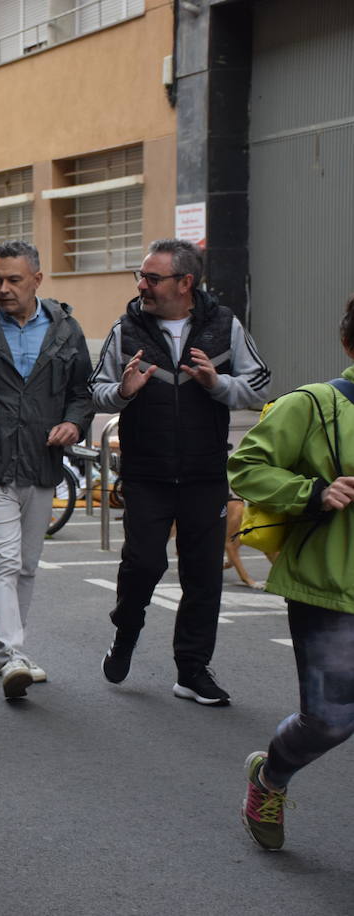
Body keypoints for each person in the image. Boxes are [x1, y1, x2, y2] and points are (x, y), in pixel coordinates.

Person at [90, 238, 272, 704]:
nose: (141, 285)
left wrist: (218, 383)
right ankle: (125, 632)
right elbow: (97, 390)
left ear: (185, 282)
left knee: (203, 575)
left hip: (204, 473)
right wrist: (124, 392)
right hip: (147, 473)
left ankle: (192, 670)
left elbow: (259, 383)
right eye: (142, 275)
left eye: (152, 278)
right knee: (144, 563)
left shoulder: (224, 326)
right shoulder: (126, 327)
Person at [228, 295, 354, 851]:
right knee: (328, 722)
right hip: (330, 588)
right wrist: (313, 492)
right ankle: (271, 775)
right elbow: (246, 466)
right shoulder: (315, 404)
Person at [0, 239, 93, 699]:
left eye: (13, 280)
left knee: (27, 564)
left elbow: (81, 392)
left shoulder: (67, 330)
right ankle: (12, 653)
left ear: (37, 280)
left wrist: (73, 422)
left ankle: (12, 651)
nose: (4, 289)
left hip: (42, 459)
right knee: (2, 559)